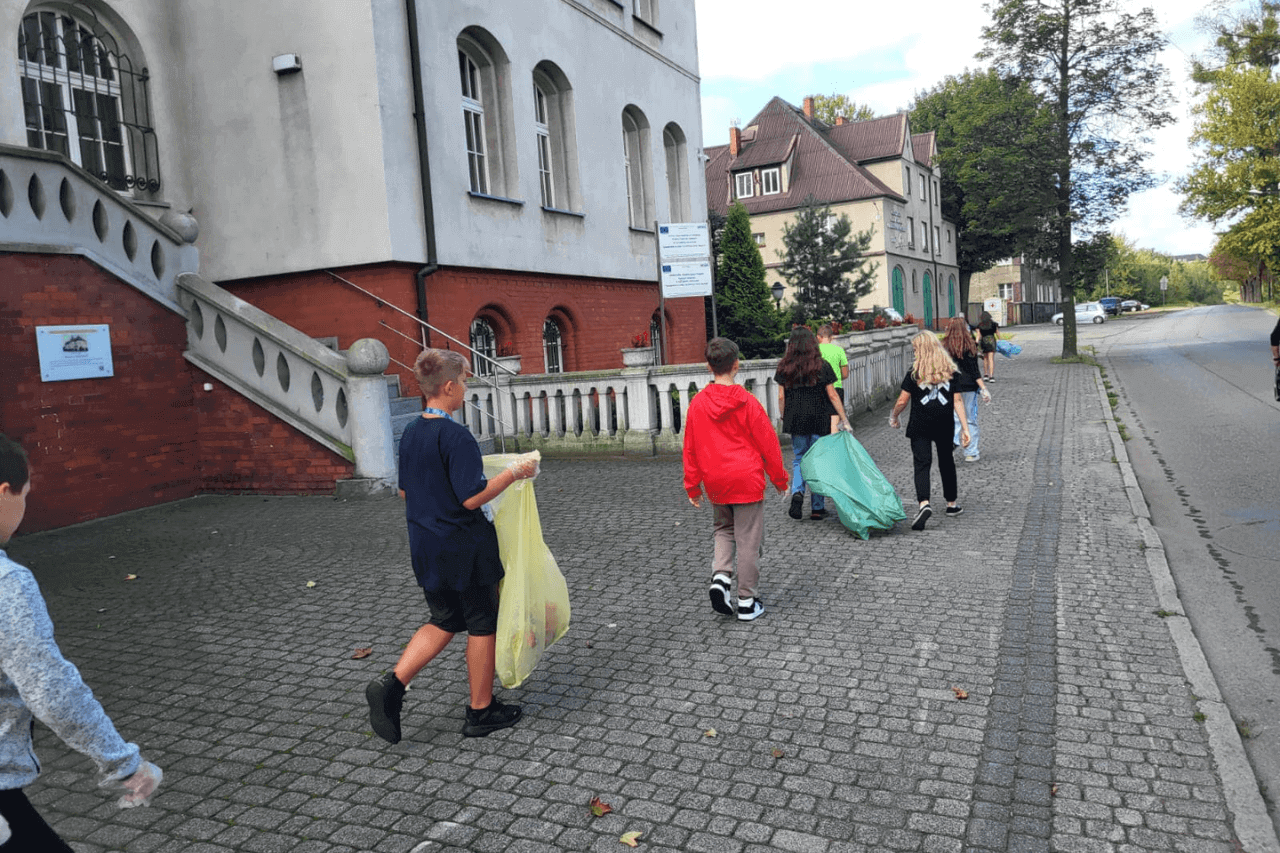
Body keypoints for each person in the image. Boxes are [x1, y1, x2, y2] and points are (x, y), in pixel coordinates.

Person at [0, 434, 162, 851]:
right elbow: (51, 689)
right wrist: (125, 766)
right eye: (24, 495)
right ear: (3, 493)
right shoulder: (6, 584)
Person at [365, 349, 537, 743]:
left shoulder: (411, 431)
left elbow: (407, 491)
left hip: (425, 544)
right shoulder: (456, 435)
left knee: (443, 618)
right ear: (447, 386)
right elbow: (472, 497)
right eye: (463, 382)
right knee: (482, 622)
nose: (465, 389)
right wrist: (514, 472)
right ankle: (480, 710)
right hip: (465, 547)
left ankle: (392, 685)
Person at [683, 337, 789, 622]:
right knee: (748, 540)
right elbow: (768, 445)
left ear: (708, 366)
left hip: (715, 480)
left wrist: (693, 486)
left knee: (723, 530)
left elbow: (690, 446)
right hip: (747, 479)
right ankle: (746, 601)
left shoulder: (698, 404)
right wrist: (780, 479)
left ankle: (720, 577)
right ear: (737, 365)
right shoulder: (748, 402)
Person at [889, 333, 970, 531]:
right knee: (946, 462)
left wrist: (894, 416)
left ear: (922, 350)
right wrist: (965, 428)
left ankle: (924, 503)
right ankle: (951, 504)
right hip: (944, 424)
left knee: (922, 464)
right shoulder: (951, 372)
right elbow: (957, 401)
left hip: (920, 425)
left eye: (916, 349)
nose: (914, 352)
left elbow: (902, 400)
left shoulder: (914, 373)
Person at [775, 327, 851, 522]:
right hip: (819, 418)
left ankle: (798, 492)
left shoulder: (784, 367)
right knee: (818, 460)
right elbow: (832, 394)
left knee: (799, 458)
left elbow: (781, 396)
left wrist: (784, 416)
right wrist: (843, 418)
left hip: (796, 420)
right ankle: (817, 508)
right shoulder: (821, 366)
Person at [941, 317, 991, 463]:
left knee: (954, 418)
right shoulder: (970, 347)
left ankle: (952, 442)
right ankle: (971, 451)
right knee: (970, 419)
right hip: (968, 387)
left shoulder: (944, 347)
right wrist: (984, 388)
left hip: (949, 387)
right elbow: (975, 372)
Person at [817, 324, 850, 434]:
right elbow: (845, 374)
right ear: (831, 337)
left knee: (821, 422)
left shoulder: (815, 352)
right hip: (836, 388)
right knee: (835, 422)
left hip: (819, 389)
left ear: (818, 337)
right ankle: (834, 445)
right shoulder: (839, 350)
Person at [977, 311, 1000, 381]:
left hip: (984, 341)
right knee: (991, 359)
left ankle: (985, 375)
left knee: (985, 359)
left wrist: (976, 343)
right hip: (992, 341)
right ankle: (991, 376)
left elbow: (979, 335)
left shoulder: (980, 325)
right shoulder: (994, 324)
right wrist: (1000, 340)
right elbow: (997, 333)